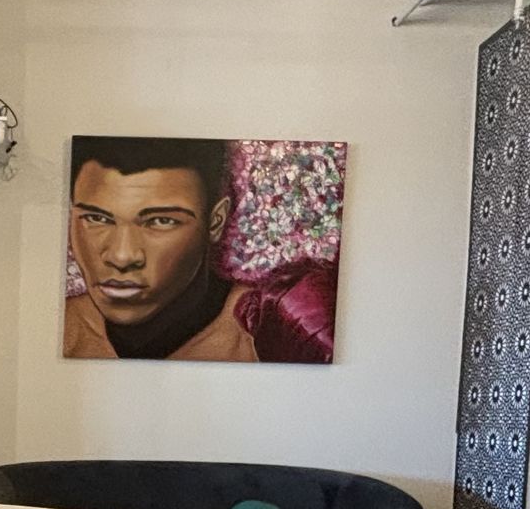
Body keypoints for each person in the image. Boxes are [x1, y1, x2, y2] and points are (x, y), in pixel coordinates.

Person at [62, 136, 338, 364]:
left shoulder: (274, 333)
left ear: (215, 221)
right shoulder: (51, 328)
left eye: (160, 221)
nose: (122, 256)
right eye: (96, 219)